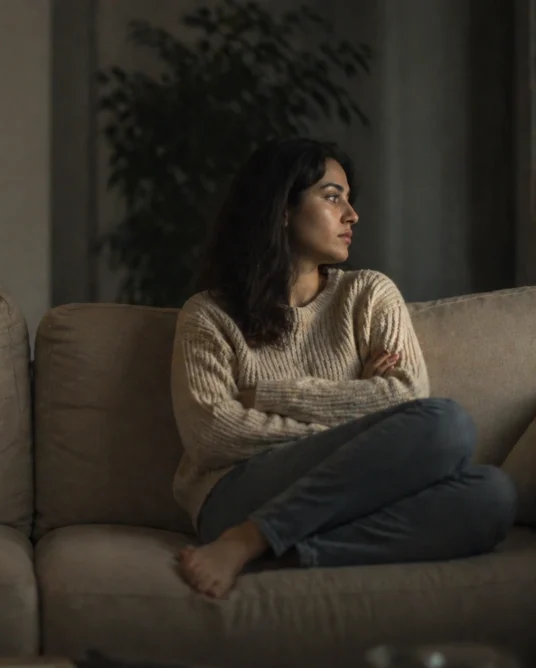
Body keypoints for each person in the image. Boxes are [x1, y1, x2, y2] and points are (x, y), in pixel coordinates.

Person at [171, 138, 517, 599]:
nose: (351, 215)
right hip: (236, 495)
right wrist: (363, 421)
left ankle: (283, 551)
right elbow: (212, 434)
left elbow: (405, 396)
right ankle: (246, 534)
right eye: (333, 197)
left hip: (345, 500)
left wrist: (271, 394)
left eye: (349, 200)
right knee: (445, 424)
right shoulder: (208, 314)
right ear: (282, 209)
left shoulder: (370, 294)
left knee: (492, 494)